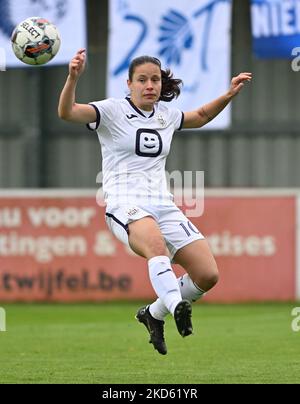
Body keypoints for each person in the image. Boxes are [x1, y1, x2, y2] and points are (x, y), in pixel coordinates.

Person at [58, 48, 252, 355]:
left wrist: (228, 93)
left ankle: (153, 314)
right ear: (129, 83)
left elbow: (200, 117)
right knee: (156, 246)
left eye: (155, 80)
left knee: (207, 275)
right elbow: (67, 113)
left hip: (163, 204)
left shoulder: (167, 115)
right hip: (124, 203)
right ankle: (176, 307)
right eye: (142, 80)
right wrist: (72, 77)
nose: (150, 85)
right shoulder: (110, 111)